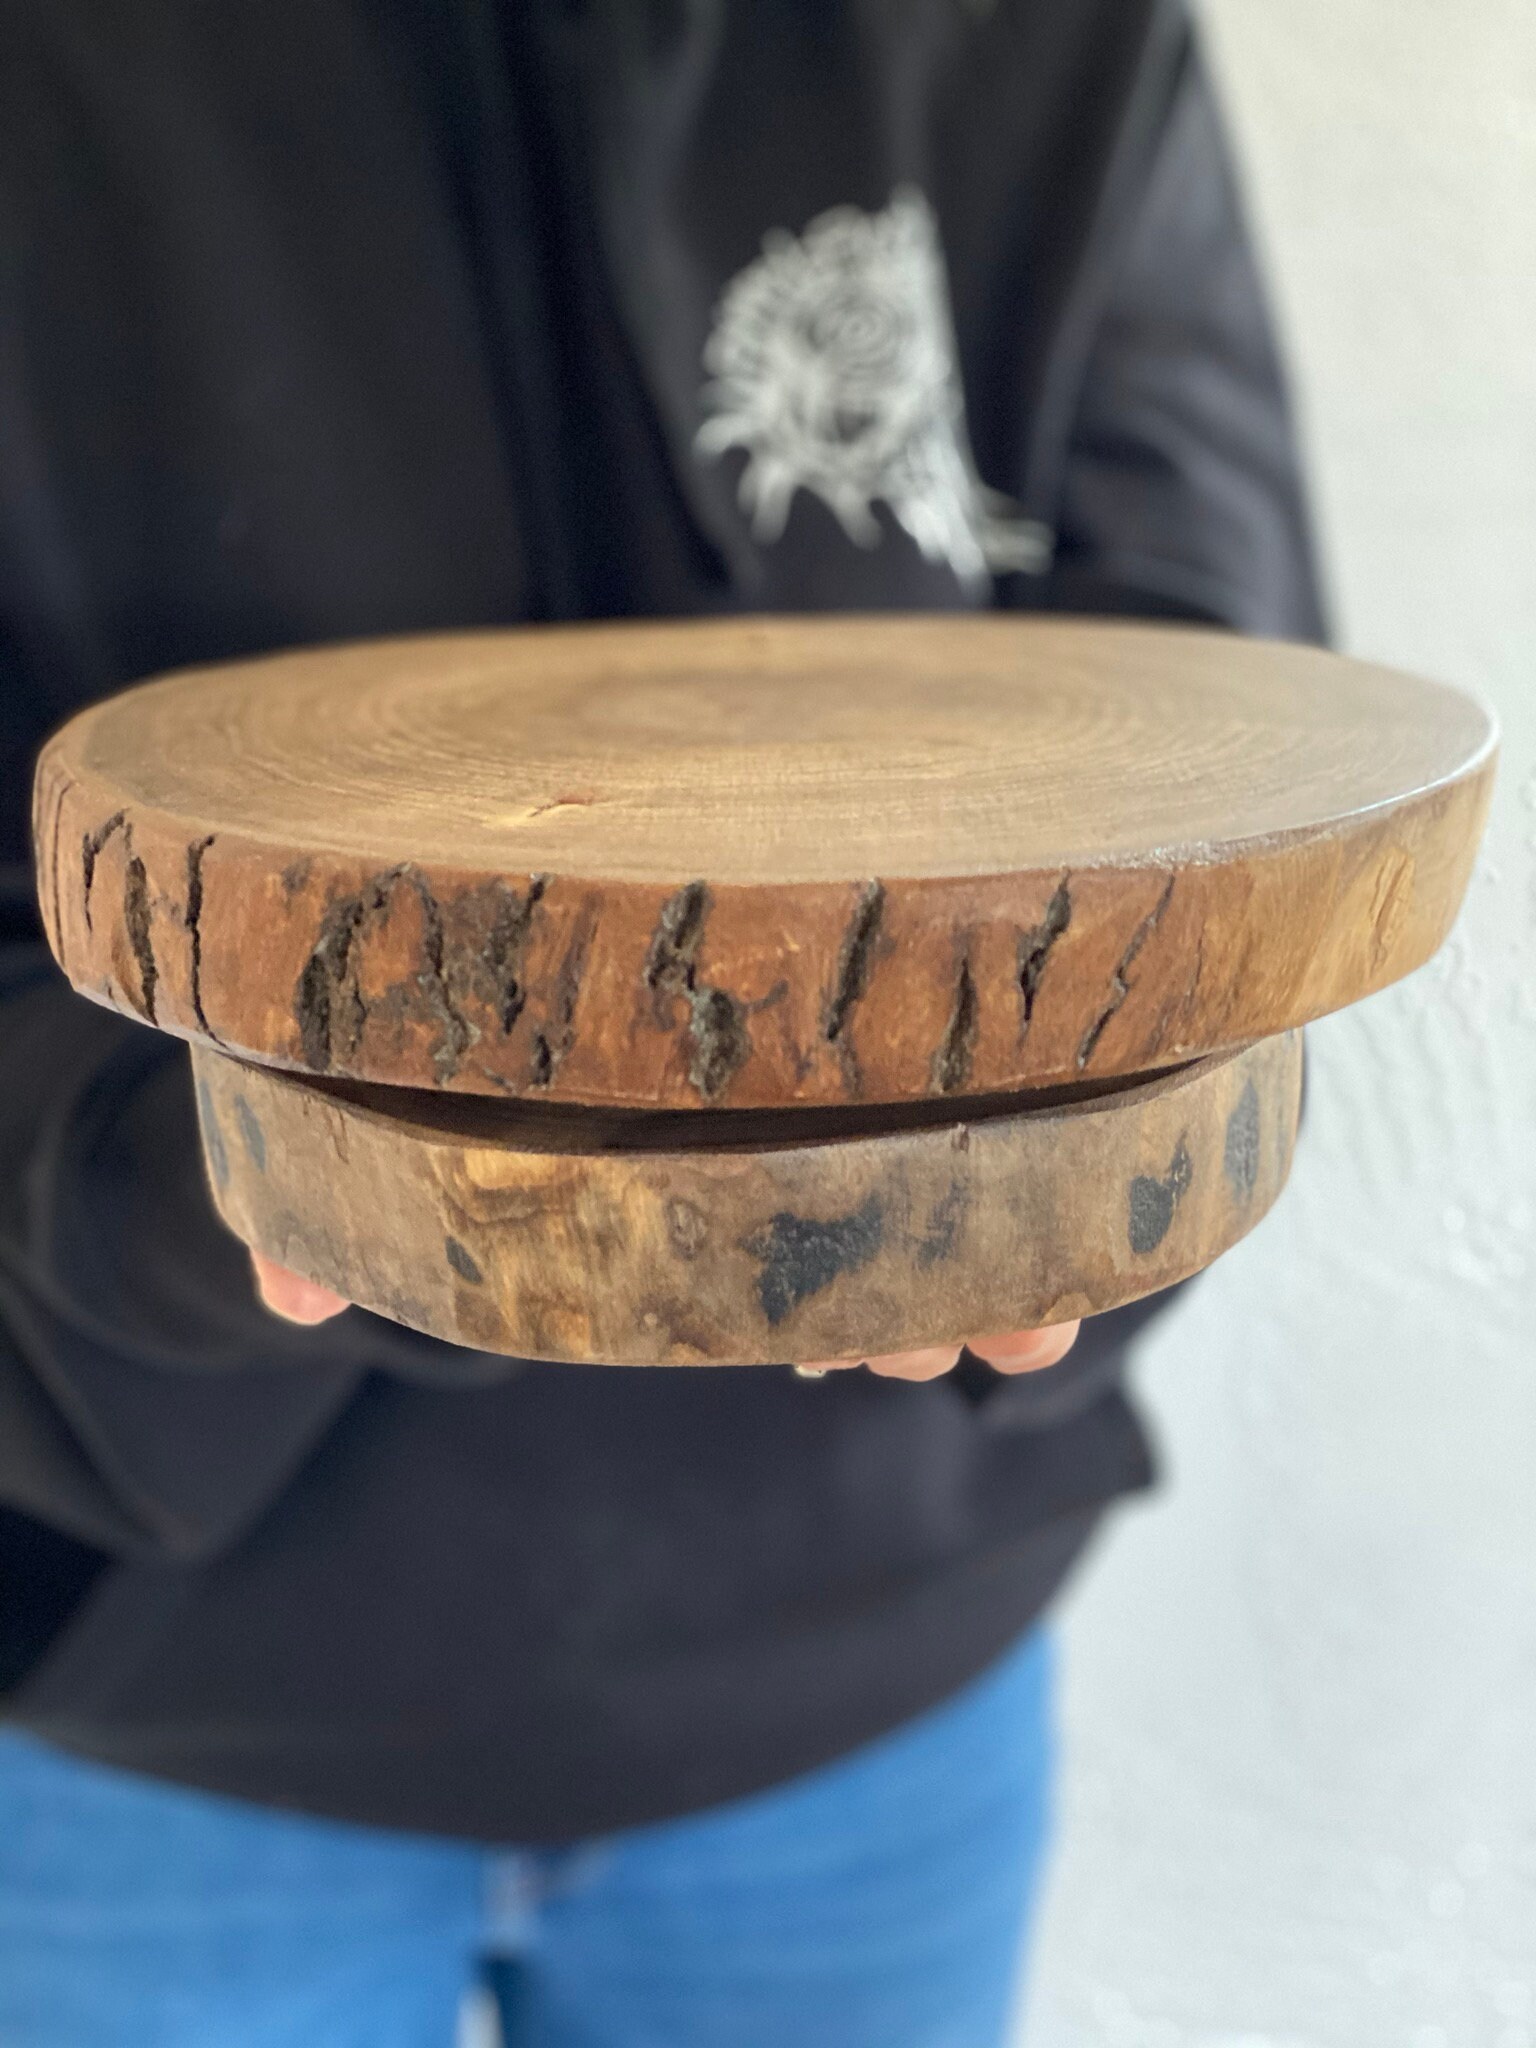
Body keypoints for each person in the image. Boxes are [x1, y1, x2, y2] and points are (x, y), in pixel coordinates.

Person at [0, 1, 1325, 2042]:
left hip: (876, 1674)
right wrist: (231, 1174)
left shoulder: (1036, 33)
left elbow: (1232, 730)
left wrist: (1045, 1169)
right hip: (153, 1696)